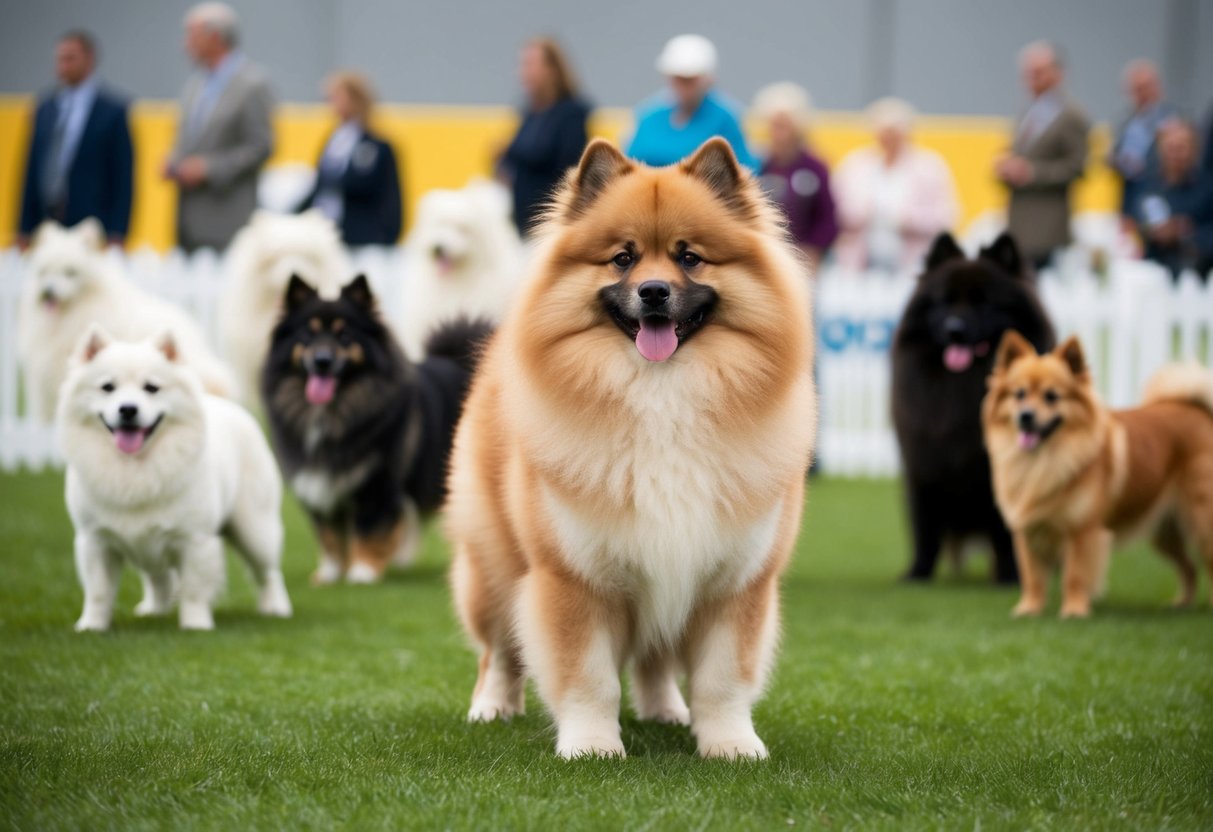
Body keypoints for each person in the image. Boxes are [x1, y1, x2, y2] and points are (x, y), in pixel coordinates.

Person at [165, 2, 274, 252]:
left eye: (191, 35)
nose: (185, 44)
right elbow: (191, 141)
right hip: (188, 219)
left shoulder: (251, 84)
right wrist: (175, 163)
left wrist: (208, 169)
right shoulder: (195, 85)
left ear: (214, 37)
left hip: (228, 221)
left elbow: (260, 147)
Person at [18, 31, 133, 249]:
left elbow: (123, 176)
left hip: (91, 225)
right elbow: (31, 169)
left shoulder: (112, 111)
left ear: (89, 59)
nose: (63, 66)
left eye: (70, 58)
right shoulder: (46, 107)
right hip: (47, 222)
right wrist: (24, 228)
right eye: (60, 59)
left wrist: (117, 232)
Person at [833, 98, 959, 272]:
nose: (887, 139)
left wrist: (909, 220)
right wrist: (859, 214)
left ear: (906, 133)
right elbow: (835, 209)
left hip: (913, 263)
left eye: (893, 133)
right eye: (883, 132)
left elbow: (947, 217)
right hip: (859, 263)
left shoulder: (930, 167)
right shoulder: (855, 165)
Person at [995, 41, 1090, 272]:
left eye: (1038, 73)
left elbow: (1078, 166)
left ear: (1058, 74)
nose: (1031, 79)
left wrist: (1032, 172)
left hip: (1047, 227)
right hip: (1019, 223)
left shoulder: (1071, 115)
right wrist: (1006, 166)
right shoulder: (1028, 112)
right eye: (1027, 73)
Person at [297, 71, 402, 246]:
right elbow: (319, 184)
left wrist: (387, 236)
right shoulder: (333, 139)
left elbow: (386, 195)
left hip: (359, 235)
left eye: (337, 97)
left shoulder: (376, 145)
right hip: (322, 230)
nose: (331, 104)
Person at [499, 38, 591, 236]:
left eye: (530, 64)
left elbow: (568, 168)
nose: (523, 72)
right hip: (522, 220)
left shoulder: (571, 114)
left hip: (550, 221)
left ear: (551, 69)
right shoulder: (530, 113)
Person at [625, 34, 758, 171]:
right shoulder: (649, 115)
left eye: (690, 80)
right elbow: (630, 162)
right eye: (678, 78)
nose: (683, 86)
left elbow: (743, 170)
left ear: (708, 79)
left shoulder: (725, 118)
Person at [752, 82, 838, 270]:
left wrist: (815, 249)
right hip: (763, 255)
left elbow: (828, 217)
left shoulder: (815, 167)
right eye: (775, 124)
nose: (779, 132)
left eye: (785, 125)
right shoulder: (757, 164)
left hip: (804, 259)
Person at [1128, 119, 1213, 282]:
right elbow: (1137, 221)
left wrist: (1185, 233)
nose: (1175, 155)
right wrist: (1149, 230)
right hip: (1155, 275)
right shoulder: (1147, 187)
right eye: (1170, 148)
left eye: (1181, 148)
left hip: (1199, 278)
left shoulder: (1207, 188)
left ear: (1193, 150)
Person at [1109, 59, 1176, 218]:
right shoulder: (1126, 122)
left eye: (1145, 88)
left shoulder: (1172, 120)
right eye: (1136, 89)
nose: (1142, 94)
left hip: (1159, 195)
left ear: (1157, 88)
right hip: (1129, 195)